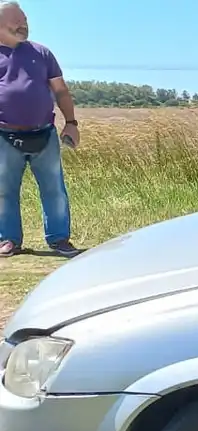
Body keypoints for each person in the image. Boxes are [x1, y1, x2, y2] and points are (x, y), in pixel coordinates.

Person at [0, 1, 78, 258]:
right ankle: (8, 239)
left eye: (25, 19)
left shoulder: (42, 53)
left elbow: (61, 91)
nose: (23, 25)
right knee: (3, 191)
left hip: (44, 133)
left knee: (54, 189)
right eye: (16, 20)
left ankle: (59, 239)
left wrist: (71, 123)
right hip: (4, 136)